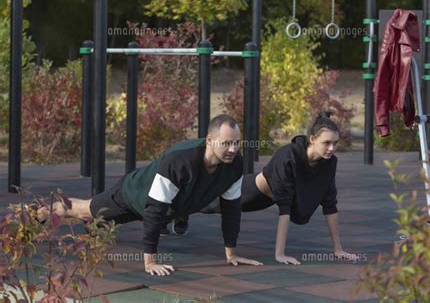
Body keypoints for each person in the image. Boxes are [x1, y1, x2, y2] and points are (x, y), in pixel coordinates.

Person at [37, 114, 263, 275]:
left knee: (96, 223)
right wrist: (150, 262)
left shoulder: (234, 165)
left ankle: (93, 224)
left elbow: (232, 209)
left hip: (168, 208)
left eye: (236, 143)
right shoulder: (180, 162)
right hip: (133, 195)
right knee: (85, 211)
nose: (233, 149)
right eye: (227, 143)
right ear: (210, 140)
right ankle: (41, 211)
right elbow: (154, 209)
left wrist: (231, 254)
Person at [195, 112, 356, 265]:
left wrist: (338, 249)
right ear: (312, 139)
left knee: (206, 204)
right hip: (250, 191)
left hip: (267, 200)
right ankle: (177, 211)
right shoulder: (288, 156)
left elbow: (330, 204)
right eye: (326, 143)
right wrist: (280, 254)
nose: (332, 148)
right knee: (206, 204)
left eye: (335, 143)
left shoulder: (329, 162)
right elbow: (284, 207)